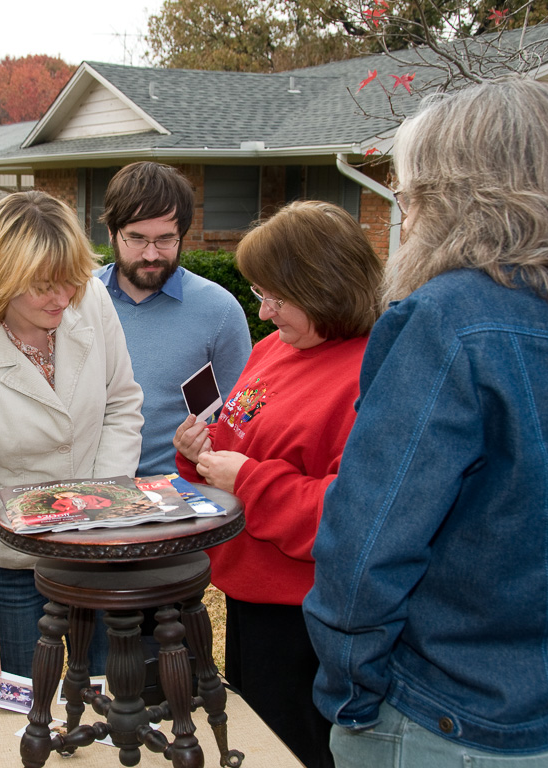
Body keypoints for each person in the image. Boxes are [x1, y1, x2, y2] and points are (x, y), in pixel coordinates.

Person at [303, 78, 548, 766]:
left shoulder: (447, 321)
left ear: (453, 199)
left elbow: (367, 545)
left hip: (441, 724)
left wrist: (351, 695)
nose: (405, 217)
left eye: (408, 198)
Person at [173, 200, 382, 768]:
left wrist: (249, 483)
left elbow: (349, 514)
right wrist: (200, 456)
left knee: (296, 749)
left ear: (326, 288)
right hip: (248, 591)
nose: (263, 314)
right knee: (255, 740)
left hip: (308, 616)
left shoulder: (371, 374)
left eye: (277, 298)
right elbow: (241, 440)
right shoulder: (277, 348)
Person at [0, 190, 143, 680]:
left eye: (70, 279)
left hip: (95, 550)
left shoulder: (92, 305)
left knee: (110, 691)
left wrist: (99, 508)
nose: (62, 298)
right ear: (1, 278)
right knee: (27, 706)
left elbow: (122, 404)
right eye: (42, 286)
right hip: (13, 563)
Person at [97, 161, 252, 476]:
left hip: (181, 499)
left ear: (182, 234)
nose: (151, 254)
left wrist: (205, 446)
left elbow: (240, 426)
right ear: (112, 234)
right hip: (89, 492)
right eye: (137, 239)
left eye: (165, 240)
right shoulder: (75, 301)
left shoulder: (219, 311)